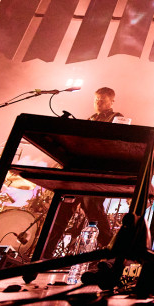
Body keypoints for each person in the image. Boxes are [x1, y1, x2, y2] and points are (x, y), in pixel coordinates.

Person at [43, 87, 119, 258]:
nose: (98, 102)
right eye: (96, 99)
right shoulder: (90, 118)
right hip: (78, 172)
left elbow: (113, 144)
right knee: (61, 213)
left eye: (102, 99)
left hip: (96, 173)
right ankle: (44, 254)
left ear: (111, 102)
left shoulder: (117, 118)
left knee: (94, 211)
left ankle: (113, 254)